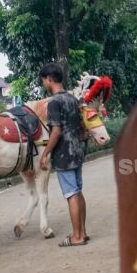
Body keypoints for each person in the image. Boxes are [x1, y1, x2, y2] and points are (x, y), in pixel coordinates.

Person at [38, 63, 89, 247]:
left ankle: (76, 236)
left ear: (49, 79)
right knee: (78, 191)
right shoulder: (72, 99)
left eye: (44, 80)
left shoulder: (54, 103)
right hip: (77, 151)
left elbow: (56, 131)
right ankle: (82, 232)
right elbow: (83, 128)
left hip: (64, 155)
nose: (44, 83)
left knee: (71, 194)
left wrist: (45, 154)